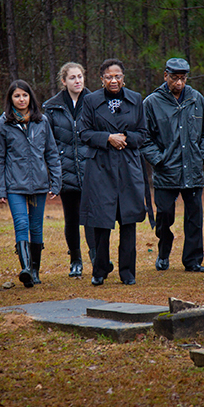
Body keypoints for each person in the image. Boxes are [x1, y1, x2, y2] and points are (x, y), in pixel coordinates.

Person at [141, 58, 204, 272]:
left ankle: (192, 260)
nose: (179, 83)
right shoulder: (152, 102)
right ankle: (164, 251)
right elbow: (144, 137)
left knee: (195, 218)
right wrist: (158, 160)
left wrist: (202, 156)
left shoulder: (196, 99)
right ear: (165, 76)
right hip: (166, 171)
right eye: (175, 78)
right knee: (164, 215)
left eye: (183, 78)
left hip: (192, 170)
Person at [78, 58, 148, 286]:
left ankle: (127, 272)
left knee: (128, 221)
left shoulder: (136, 99)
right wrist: (107, 138)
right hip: (100, 167)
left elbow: (143, 133)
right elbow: (84, 132)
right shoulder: (90, 101)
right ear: (101, 79)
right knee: (101, 222)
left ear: (123, 77)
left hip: (128, 167)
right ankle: (99, 270)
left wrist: (125, 138)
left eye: (117, 76)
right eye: (109, 77)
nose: (114, 80)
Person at [0, 80, 61, 288]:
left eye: (24, 95)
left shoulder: (42, 122)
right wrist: (0, 189)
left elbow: (52, 153)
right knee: (21, 224)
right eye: (16, 96)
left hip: (39, 184)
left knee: (37, 228)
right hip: (15, 186)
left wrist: (56, 182)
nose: (21, 99)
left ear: (30, 97)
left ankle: (36, 270)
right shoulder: (3, 123)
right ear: (10, 99)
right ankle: (26, 270)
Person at [43, 62, 96, 278]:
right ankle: (76, 259)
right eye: (73, 77)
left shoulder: (94, 102)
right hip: (65, 171)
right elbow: (48, 143)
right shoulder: (51, 107)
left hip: (92, 170)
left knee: (93, 218)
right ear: (64, 81)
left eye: (80, 77)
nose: (78, 81)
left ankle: (97, 257)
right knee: (72, 218)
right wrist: (54, 174)